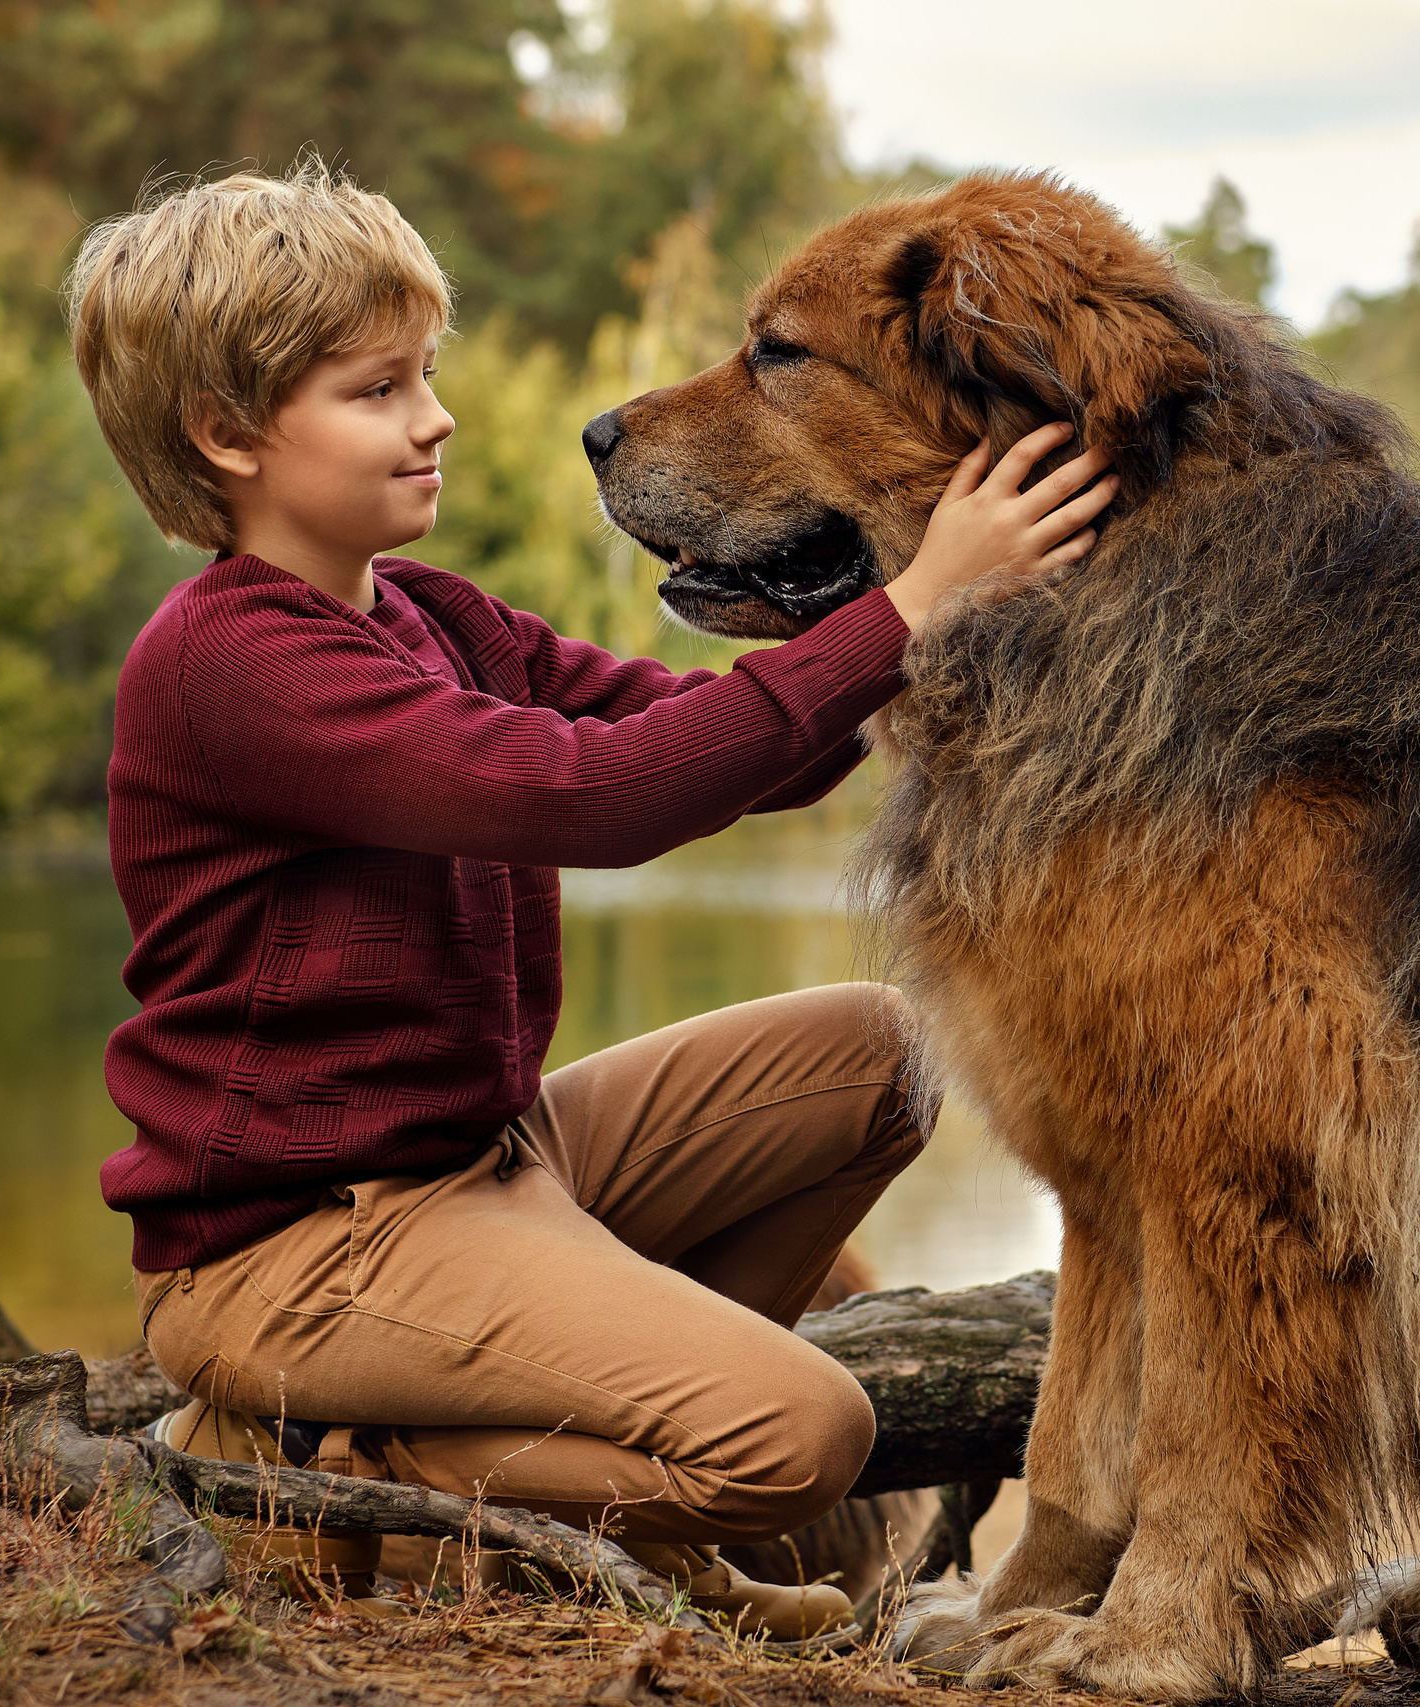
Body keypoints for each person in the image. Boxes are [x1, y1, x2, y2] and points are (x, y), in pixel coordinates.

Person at [65, 161, 1115, 1636]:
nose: (434, 418)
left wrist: (904, 594)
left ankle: (632, 1471)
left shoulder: (429, 616)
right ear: (226, 432)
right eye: (375, 392)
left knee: (883, 1053)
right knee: (803, 1437)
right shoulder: (232, 667)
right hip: (303, 1246)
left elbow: (720, 751)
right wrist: (912, 603)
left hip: (490, 1160)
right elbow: (593, 799)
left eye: (426, 374)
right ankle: (345, 1463)